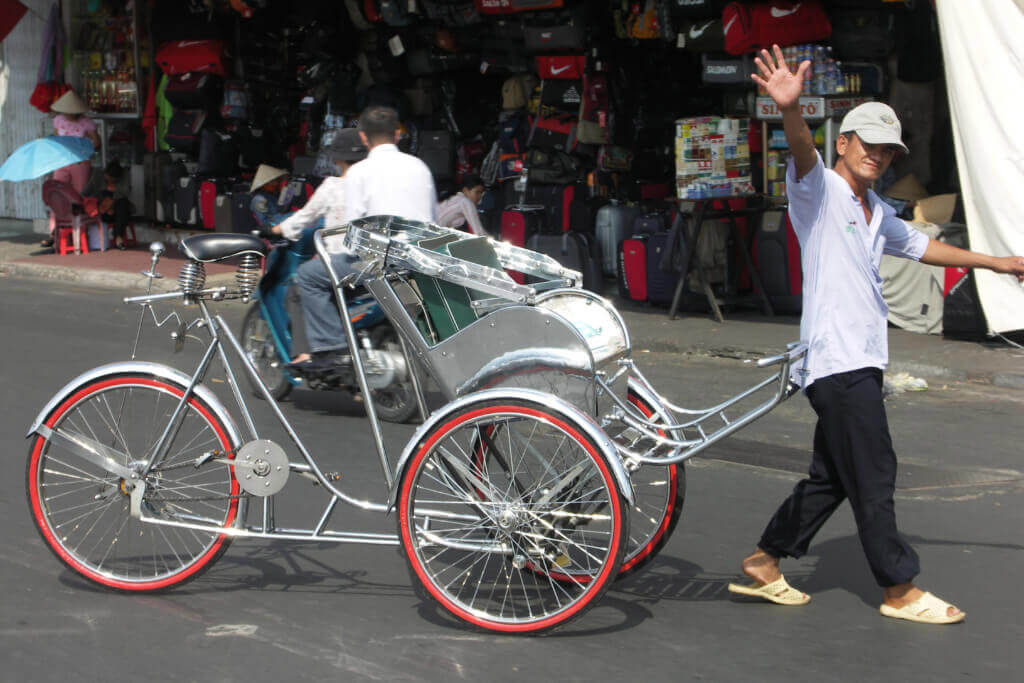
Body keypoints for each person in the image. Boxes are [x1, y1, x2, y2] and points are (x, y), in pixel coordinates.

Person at [727, 45, 1024, 625]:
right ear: (845, 144)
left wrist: (997, 262)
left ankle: (765, 561)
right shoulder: (820, 191)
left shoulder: (875, 209)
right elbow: (804, 150)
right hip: (837, 361)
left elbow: (923, 246)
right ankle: (899, 587)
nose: (880, 158)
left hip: (860, 358)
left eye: (888, 151)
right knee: (875, 472)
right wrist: (791, 111)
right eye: (870, 146)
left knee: (834, 474)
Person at [287, 105, 437, 373]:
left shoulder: (359, 173)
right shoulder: (420, 167)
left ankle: (332, 347)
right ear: (398, 134)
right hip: (417, 261)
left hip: (377, 263)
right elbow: (432, 221)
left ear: (364, 138)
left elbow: (355, 231)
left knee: (308, 276)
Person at [268, 130, 368, 366]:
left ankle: (329, 344)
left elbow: (305, 217)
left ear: (336, 159)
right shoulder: (374, 184)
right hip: (375, 262)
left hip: (346, 263)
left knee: (304, 278)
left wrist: (274, 231)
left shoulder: (333, 186)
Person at [43, 89, 101, 248]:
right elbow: (56, 138)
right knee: (57, 193)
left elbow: (97, 144)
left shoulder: (87, 123)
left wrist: (83, 143)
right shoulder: (58, 120)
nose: (69, 115)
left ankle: (80, 229)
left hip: (80, 162)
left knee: (79, 195)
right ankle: (56, 232)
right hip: (61, 161)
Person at [95, 161, 133, 250]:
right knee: (122, 210)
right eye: (109, 178)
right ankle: (118, 237)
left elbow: (126, 191)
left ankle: (118, 237)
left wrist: (113, 199)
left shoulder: (124, 178)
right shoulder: (98, 178)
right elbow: (87, 193)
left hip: (119, 211)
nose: (110, 181)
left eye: (113, 180)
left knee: (122, 204)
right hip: (105, 212)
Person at [249, 164, 292, 230]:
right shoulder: (259, 200)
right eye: (273, 182)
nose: (276, 184)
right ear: (265, 184)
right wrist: (284, 218)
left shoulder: (270, 196)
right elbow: (264, 222)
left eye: (277, 181)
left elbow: (281, 209)